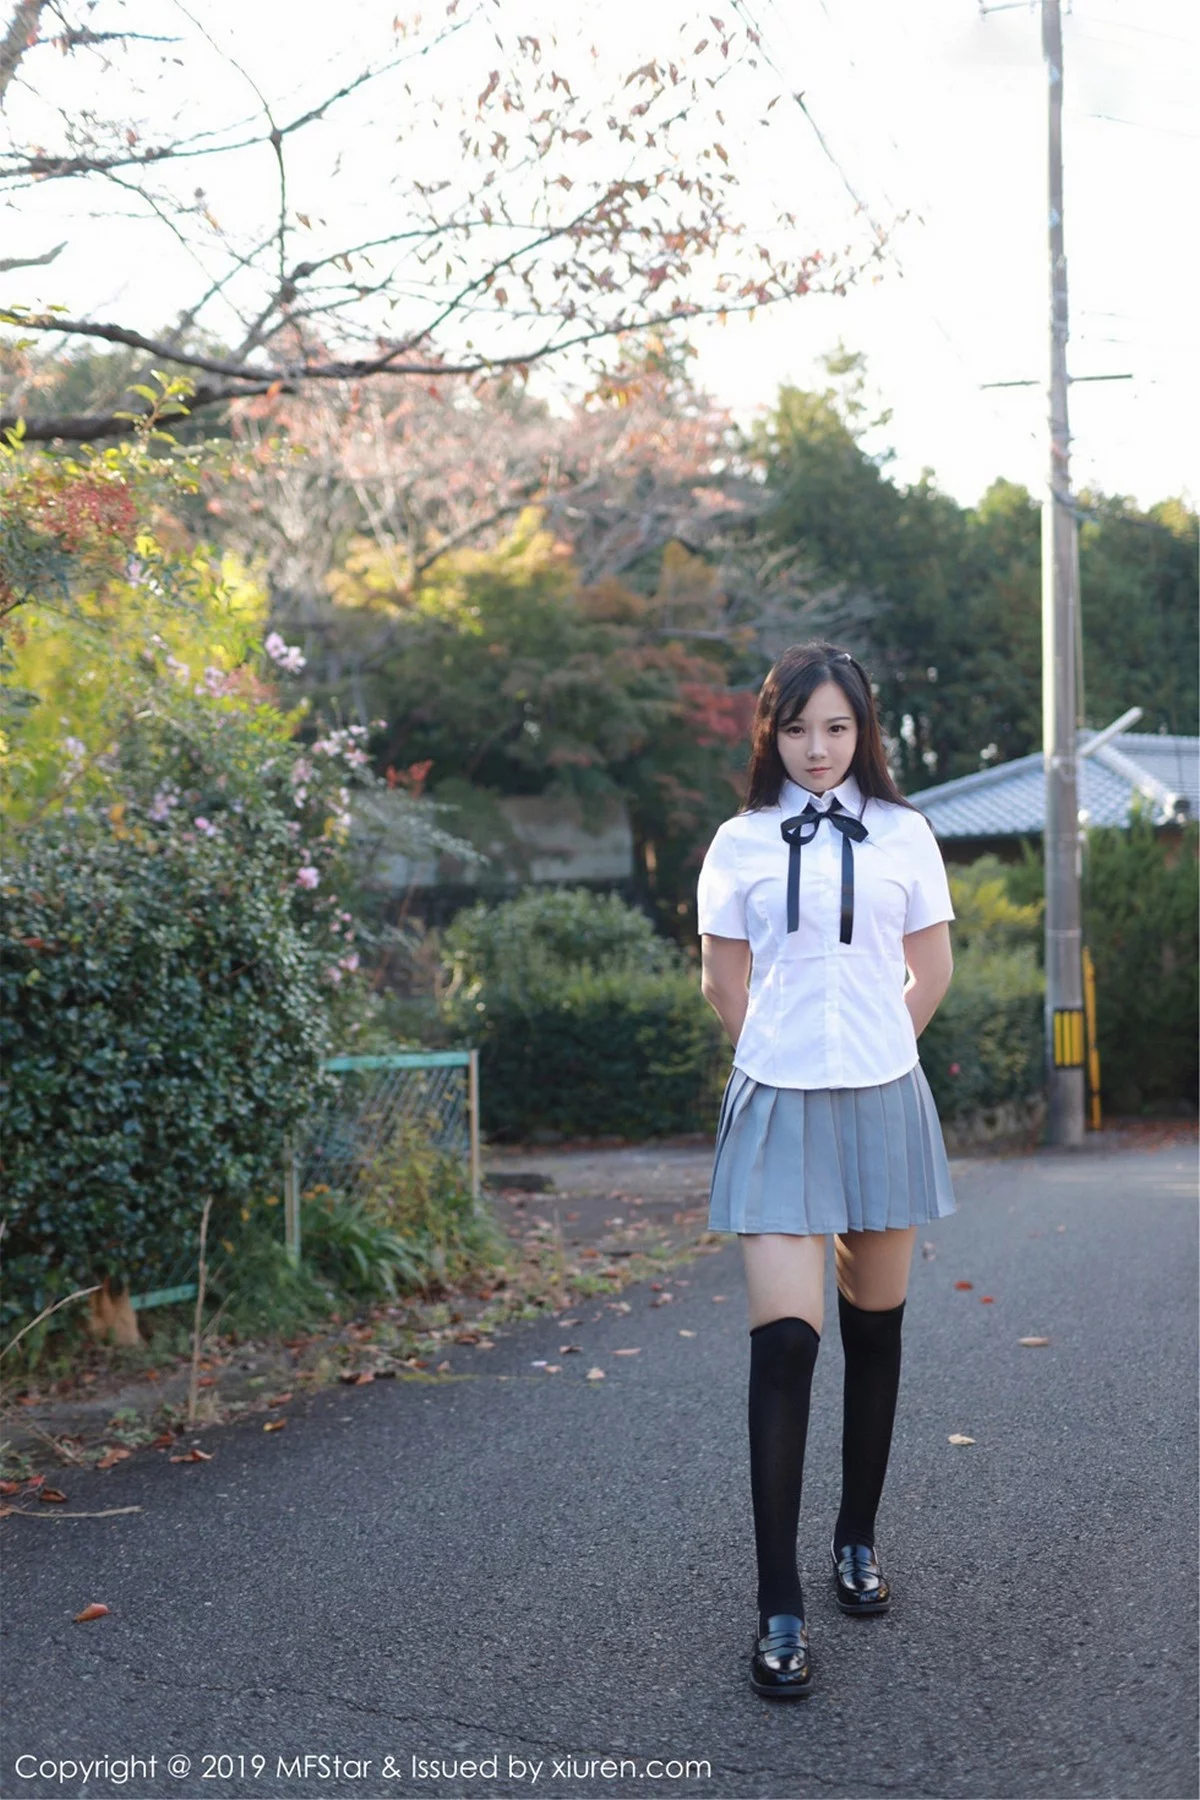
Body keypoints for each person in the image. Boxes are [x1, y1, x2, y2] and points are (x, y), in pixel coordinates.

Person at [697, 641, 957, 1700]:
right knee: (786, 1344)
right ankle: (778, 1604)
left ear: (863, 732)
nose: (818, 748)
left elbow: (931, 965)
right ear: (773, 731)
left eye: (837, 728)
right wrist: (781, 1055)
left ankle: (856, 1537)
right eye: (799, 727)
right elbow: (723, 979)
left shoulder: (906, 833)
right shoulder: (738, 842)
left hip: (884, 1097)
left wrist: (877, 1051)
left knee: (874, 1330)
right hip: (778, 1101)